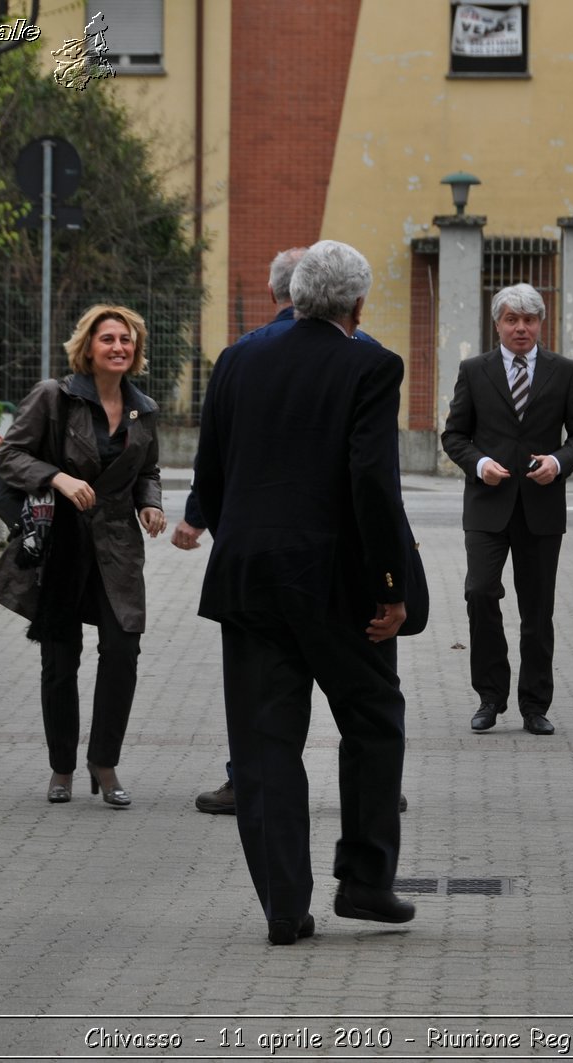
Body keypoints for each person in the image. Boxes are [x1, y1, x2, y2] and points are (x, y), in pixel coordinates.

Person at [193, 239, 415, 945]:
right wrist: (390, 586)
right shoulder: (371, 365)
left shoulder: (235, 361)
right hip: (341, 585)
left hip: (249, 580)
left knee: (264, 749)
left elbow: (214, 475)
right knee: (373, 720)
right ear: (357, 304)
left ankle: (284, 907)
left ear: (293, 294)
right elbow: (371, 483)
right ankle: (366, 880)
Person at [0, 304, 167, 808]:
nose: (118, 347)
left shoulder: (142, 408)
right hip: (63, 544)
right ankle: (62, 767)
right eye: (108, 338)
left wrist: (150, 504)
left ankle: (103, 763)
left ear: (136, 350)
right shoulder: (55, 397)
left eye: (127, 340)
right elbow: (9, 455)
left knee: (122, 654)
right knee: (60, 660)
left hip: (117, 549)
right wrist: (57, 477)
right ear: (88, 346)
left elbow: (147, 470)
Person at [440, 283, 573, 736]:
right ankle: (490, 696)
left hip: (541, 508)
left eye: (529, 320)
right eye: (512, 319)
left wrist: (559, 462)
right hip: (488, 506)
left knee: (537, 610)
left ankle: (534, 705)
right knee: (480, 592)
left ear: (540, 323)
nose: (521, 328)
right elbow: (454, 436)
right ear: (498, 324)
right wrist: (480, 463)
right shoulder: (474, 370)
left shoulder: (563, 371)